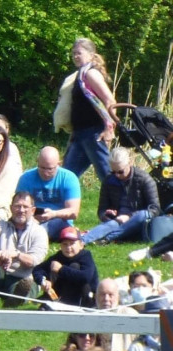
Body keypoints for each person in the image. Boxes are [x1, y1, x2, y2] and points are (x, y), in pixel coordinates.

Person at [0, 191, 49, 306]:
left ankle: (15, 299)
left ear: (32, 210)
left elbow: (35, 260)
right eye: (17, 206)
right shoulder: (0, 224)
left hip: (22, 276)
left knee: (27, 286)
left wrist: (16, 254)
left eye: (25, 207)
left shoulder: (39, 232)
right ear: (11, 208)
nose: (21, 210)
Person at [61, 38, 116, 182]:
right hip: (80, 134)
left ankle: (121, 202)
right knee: (66, 175)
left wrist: (109, 128)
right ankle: (63, 203)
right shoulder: (80, 75)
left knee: (106, 175)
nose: (75, 56)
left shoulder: (91, 74)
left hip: (94, 133)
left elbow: (110, 100)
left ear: (91, 55)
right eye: (73, 54)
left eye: (79, 53)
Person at [80, 147, 161, 245]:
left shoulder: (144, 179)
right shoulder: (108, 181)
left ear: (130, 163)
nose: (117, 175)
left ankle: (108, 237)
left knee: (143, 215)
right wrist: (106, 215)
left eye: (120, 171)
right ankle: (81, 241)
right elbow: (101, 210)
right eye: (113, 172)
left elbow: (154, 209)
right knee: (113, 223)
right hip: (116, 221)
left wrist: (129, 216)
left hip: (138, 222)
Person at [15, 147, 82, 241]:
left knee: (54, 224)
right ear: (37, 162)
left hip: (59, 220)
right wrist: (30, 216)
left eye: (50, 169)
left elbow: (73, 212)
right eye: (42, 168)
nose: (46, 173)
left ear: (59, 164)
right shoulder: (26, 178)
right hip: (31, 218)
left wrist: (53, 214)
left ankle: (31, 235)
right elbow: (18, 205)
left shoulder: (69, 178)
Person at [31, 226, 98, 307]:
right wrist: (43, 281)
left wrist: (61, 269)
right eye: (64, 244)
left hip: (85, 297)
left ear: (81, 245)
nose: (68, 248)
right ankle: (51, 301)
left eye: (72, 243)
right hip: (61, 294)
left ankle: (71, 305)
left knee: (74, 266)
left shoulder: (86, 256)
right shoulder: (59, 257)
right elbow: (38, 269)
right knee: (53, 266)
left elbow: (85, 277)